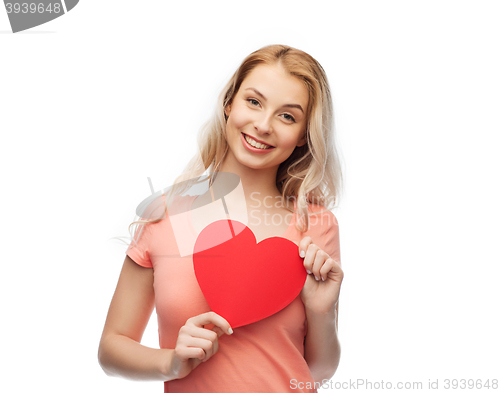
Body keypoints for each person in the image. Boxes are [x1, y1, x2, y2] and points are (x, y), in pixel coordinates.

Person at [98, 44, 344, 393]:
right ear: (229, 103)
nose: (263, 125)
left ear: (304, 135)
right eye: (254, 102)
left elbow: (317, 371)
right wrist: (171, 362)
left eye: (287, 116)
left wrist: (322, 312)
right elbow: (112, 347)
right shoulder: (164, 214)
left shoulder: (316, 226)